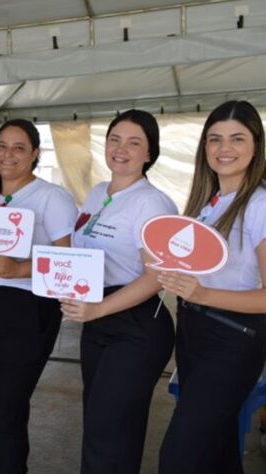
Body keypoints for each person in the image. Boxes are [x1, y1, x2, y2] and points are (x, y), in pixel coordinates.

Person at [158, 101, 266, 473]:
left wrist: (201, 294)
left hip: (232, 339)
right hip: (195, 332)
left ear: (256, 145)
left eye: (237, 138)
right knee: (216, 450)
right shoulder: (209, 201)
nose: (224, 148)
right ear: (204, 147)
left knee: (179, 458)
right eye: (214, 139)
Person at [0, 119, 78, 473]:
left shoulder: (51, 197)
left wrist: (18, 270)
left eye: (19, 148)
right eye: (2, 146)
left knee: (6, 409)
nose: (8, 155)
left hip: (23, 311)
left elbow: (68, 263)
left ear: (35, 154)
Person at [60, 110, 177, 474]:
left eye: (134, 142)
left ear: (149, 154)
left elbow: (157, 276)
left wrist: (98, 309)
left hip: (136, 326)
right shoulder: (97, 193)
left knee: (107, 427)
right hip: (99, 323)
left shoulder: (151, 203)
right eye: (114, 139)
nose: (121, 149)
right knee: (105, 425)